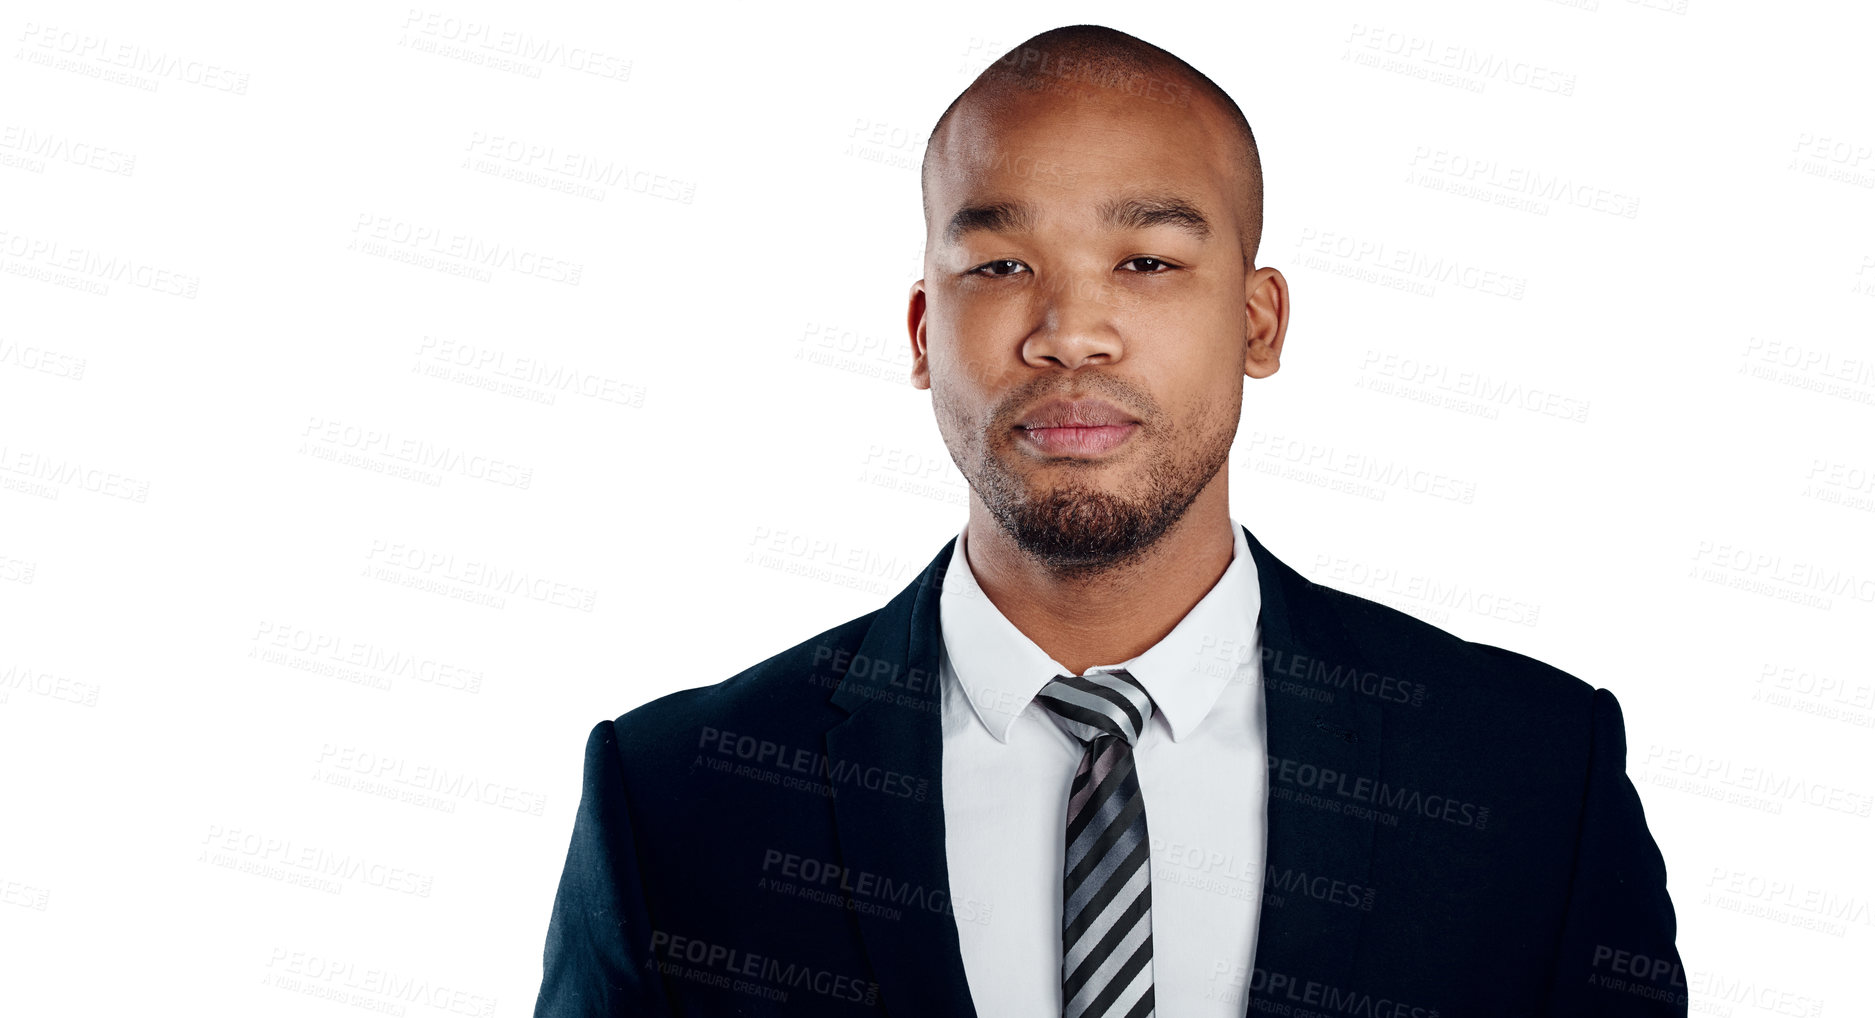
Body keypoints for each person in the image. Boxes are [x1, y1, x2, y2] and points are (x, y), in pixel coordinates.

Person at [534, 24, 1685, 1018]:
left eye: (1144, 259)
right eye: (997, 263)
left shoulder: (1529, 775)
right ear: (922, 330)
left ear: (1257, 321)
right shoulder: (681, 794)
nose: (1070, 332)